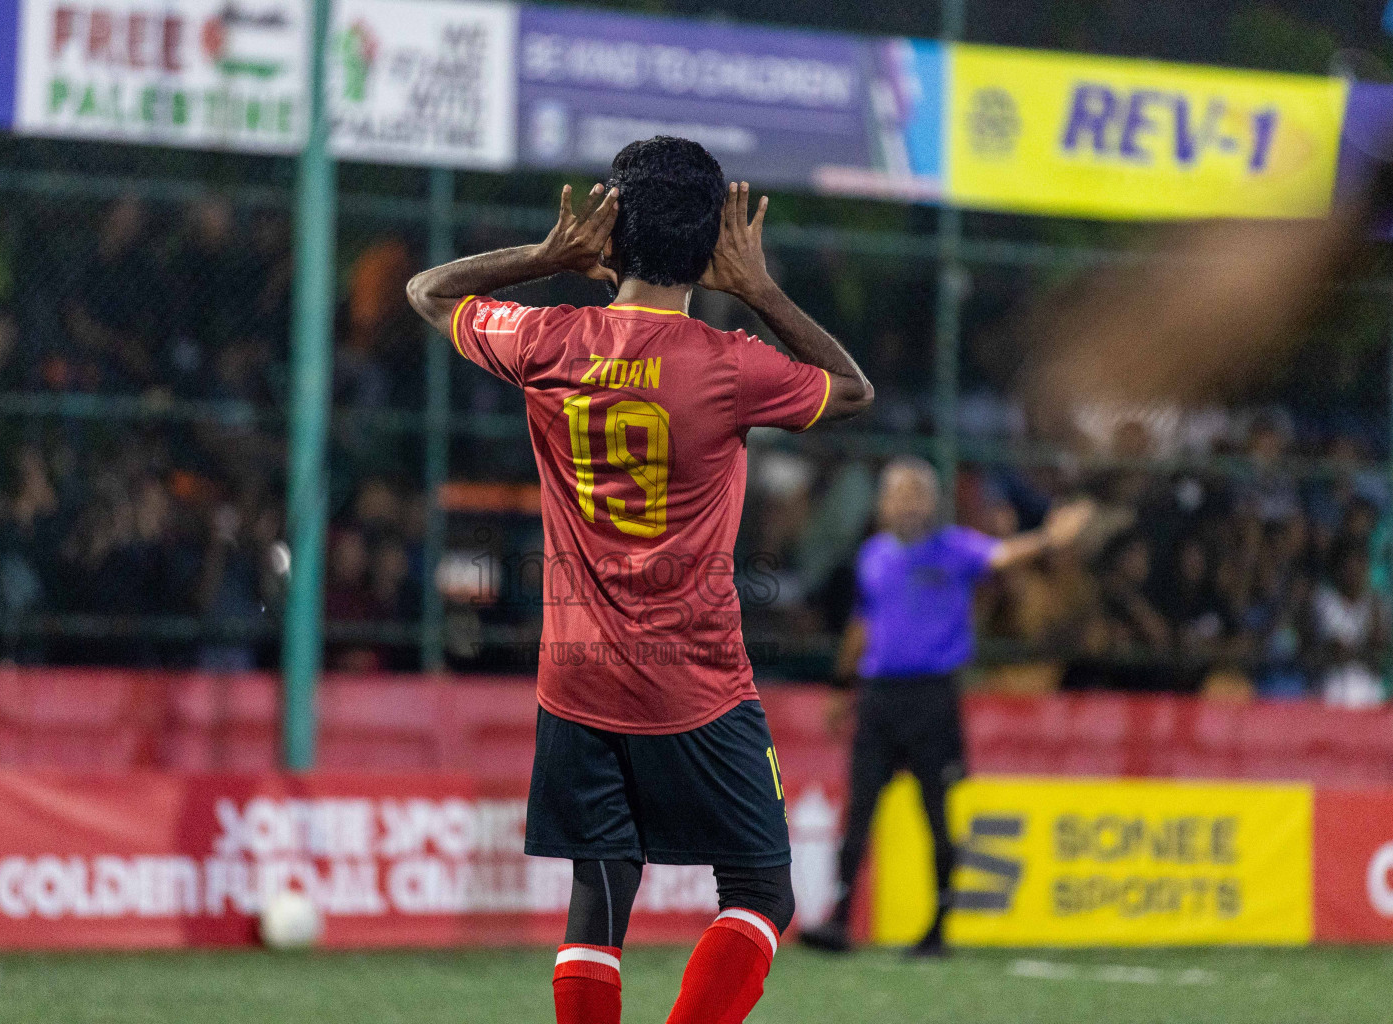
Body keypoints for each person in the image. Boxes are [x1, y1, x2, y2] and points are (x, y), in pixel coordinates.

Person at [407, 136, 872, 1024]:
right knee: (762, 894)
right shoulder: (727, 364)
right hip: (692, 681)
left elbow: (429, 293)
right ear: (713, 247)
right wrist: (760, 288)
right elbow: (850, 390)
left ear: (610, 233)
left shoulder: (546, 338)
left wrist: (547, 256)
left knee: (600, 896)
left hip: (574, 675)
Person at [799, 458, 1091, 956]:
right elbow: (861, 627)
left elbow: (1002, 556)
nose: (907, 503)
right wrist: (841, 688)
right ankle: (840, 921)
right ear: (883, 504)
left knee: (935, 813)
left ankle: (939, 927)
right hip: (877, 699)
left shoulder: (955, 548)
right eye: (898, 494)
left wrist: (1048, 539)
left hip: (932, 698)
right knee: (861, 810)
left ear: (932, 503)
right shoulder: (872, 555)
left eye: (916, 493)